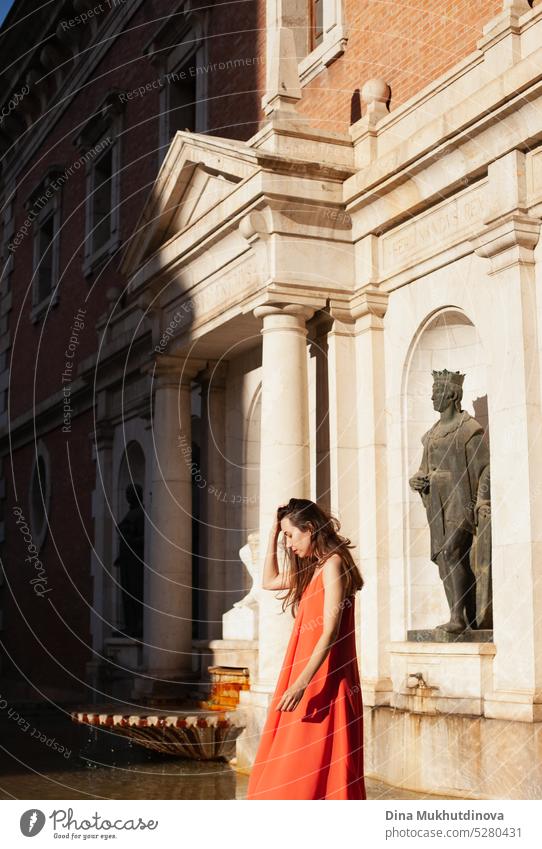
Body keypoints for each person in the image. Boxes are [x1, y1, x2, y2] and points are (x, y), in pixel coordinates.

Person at [246, 498, 366, 800]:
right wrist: (273, 534)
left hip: (321, 680)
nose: (288, 544)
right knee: (288, 761)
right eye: (284, 536)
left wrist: (302, 684)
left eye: (290, 535)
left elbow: (330, 630)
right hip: (304, 676)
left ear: (310, 529)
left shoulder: (334, 564)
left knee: (307, 763)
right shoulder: (315, 568)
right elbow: (269, 581)